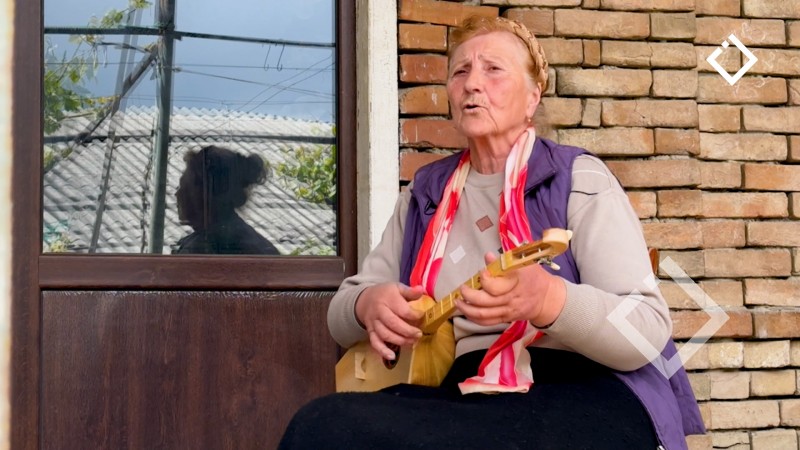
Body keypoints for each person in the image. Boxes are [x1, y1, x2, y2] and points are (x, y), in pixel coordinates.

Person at [279, 15, 703, 450]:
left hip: (584, 384)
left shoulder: (579, 177)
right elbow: (340, 317)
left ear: (533, 97)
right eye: (460, 71)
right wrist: (367, 304)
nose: (472, 84)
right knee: (320, 425)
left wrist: (550, 300)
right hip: (465, 389)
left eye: (493, 69)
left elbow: (646, 330)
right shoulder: (425, 193)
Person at [173, 145, 280, 255]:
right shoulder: (257, 245)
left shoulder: (202, 250)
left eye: (184, 187)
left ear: (205, 193)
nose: (177, 194)